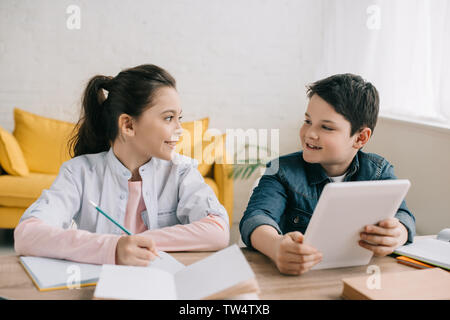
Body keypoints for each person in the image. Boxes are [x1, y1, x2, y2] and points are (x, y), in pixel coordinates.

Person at [14, 64, 229, 266]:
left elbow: (218, 229)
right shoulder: (78, 172)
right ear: (128, 125)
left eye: (178, 117)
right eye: (168, 118)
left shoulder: (181, 171)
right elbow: (27, 234)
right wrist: (112, 248)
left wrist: (137, 242)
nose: (179, 129)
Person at [239, 73, 415, 275]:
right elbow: (256, 218)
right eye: (307, 121)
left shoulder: (378, 171)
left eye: (326, 127)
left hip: (355, 275)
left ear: (360, 138)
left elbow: (404, 215)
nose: (309, 134)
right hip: (298, 279)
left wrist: (397, 233)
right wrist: (276, 246)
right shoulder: (280, 170)